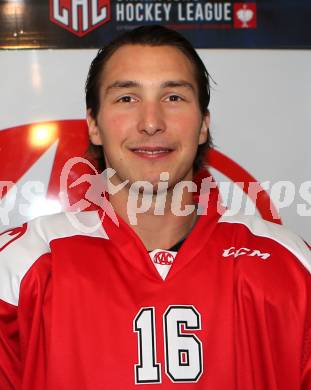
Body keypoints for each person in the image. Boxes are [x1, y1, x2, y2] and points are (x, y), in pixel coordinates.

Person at [0, 25, 310, 390]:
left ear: (203, 125)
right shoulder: (19, 267)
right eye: (127, 98)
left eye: (174, 98)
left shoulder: (290, 266)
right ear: (94, 126)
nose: (151, 123)